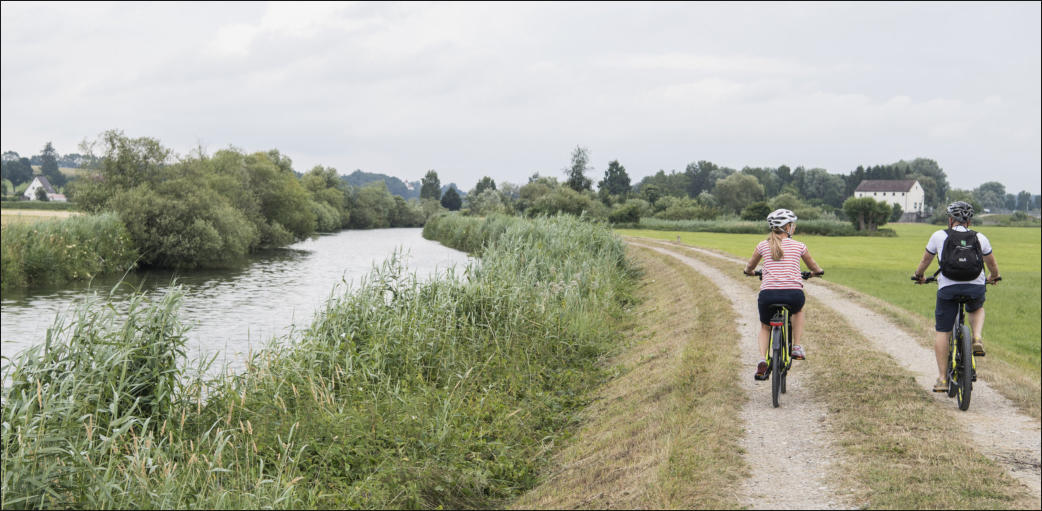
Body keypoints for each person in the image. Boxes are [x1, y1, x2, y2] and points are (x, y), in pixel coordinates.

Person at [913, 201, 1001, 392]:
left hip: (948, 288)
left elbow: (925, 260)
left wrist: (919, 275)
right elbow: (992, 264)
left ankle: (942, 379)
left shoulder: (939, 235)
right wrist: (994, 277)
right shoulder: (980, 237)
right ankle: (976, 337)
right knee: (976, 308)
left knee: (942, 331)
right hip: (975, 286)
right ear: (969, 221)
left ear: (950, 219)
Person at [743, 209, 824, 380]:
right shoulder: (799, 246)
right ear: (787, 227)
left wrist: (749, 272)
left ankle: (762, 359)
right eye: (792, 225)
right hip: (793, 294)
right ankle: (796, 346)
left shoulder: (763, 245)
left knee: (765, 327)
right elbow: (813, 266)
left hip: (768, 295)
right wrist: (816, 272)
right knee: (798, 310)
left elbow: (749, 267)